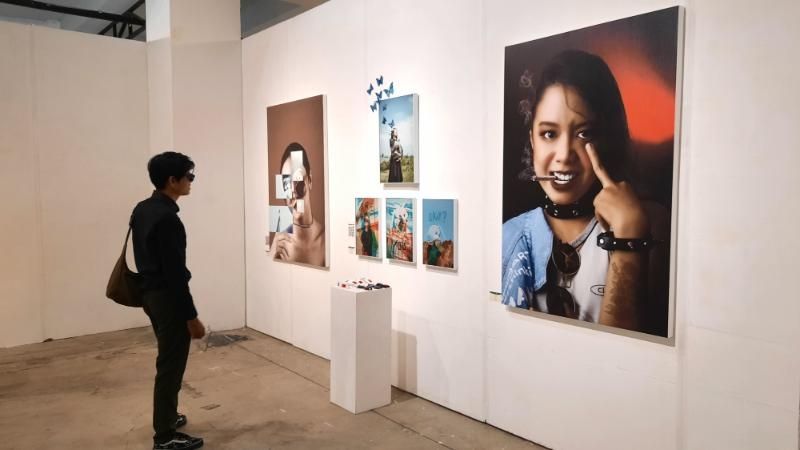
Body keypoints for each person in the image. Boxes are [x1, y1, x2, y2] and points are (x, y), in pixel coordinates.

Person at [501, 50, 669, 336]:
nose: (564, 156)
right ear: (533, 139)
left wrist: (630, 236)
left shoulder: (650, 222)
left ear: (608, 138)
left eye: (584, 134)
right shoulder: (510, 234)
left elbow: (627, 355)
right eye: (549, 134)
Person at [131, 151, 205, 449]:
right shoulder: (168, 220)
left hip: (149, 294)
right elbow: (176, 276)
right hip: (167, 299)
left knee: (168, 361)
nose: (191, 182)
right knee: (171, 366)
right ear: (171, 181)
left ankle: (169, 417)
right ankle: (165, 436)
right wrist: (192, 318)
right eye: (189, 176)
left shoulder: (143, 208)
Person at [272, 143, 326, 266]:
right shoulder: (280, 240)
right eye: (286, 183)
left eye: (298, 181)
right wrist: (271, 254)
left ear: (310, 181)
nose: (292, 192)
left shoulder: (325, 239)